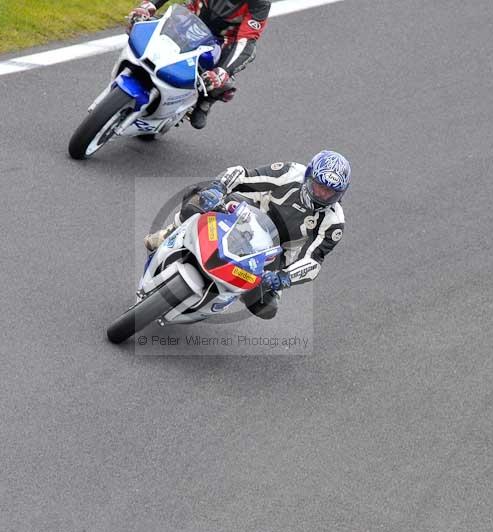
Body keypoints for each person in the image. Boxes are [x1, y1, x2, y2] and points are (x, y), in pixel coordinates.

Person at [144, 151, 350, 319]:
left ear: (340, 194)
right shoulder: (290, 173)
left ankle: (226, 294)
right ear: (309, 176)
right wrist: (218, 188)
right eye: (319, 186)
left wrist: (283, 277)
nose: (322, 195)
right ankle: (170, 233)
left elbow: (313, 261)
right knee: (197, 198)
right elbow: (244, 175)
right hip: (246, 214)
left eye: (329, 192)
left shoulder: (334, 222)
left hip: (277, 251)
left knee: (266, 308)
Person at [127, 0, 271, 129]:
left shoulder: (260, 4)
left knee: (220, 78)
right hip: (188, 18)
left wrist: (223, 71)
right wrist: (150, 5)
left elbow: (245, 42)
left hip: (220, 40)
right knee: (140, 24)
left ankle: (205, 100)